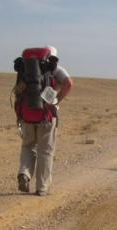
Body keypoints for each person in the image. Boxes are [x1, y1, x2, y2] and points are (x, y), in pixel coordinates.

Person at [16, 45, 73, 196]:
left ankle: (24, 173)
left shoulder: (27, 70)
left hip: (27, 115)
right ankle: (42, 187)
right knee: (45, 151)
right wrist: (56, 101)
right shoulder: (57, 70)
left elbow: (18, 91)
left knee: (28, 146)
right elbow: (69, 83)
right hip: (47, 116)